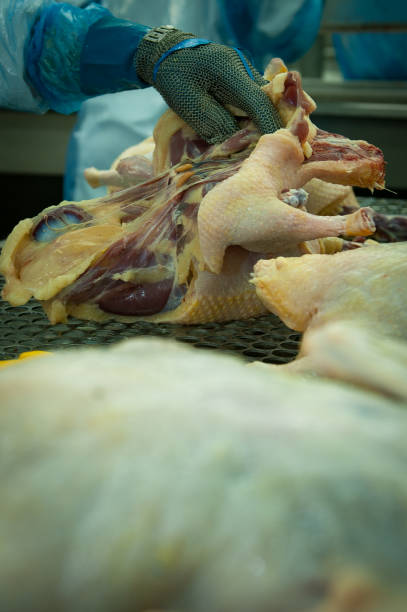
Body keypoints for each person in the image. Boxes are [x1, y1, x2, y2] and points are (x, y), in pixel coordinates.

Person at [0, 0, 323, 200]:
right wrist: (148, 49)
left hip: (213, 126)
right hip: (223, 118)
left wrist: (146, 49)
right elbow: (282, 28)